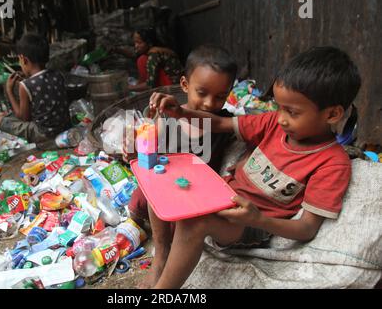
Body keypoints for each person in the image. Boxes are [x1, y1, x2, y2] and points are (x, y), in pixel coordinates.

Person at [141, 46, 361, 289]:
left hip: (248, 224)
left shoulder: (331, 163)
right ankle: (162, 252)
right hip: (220, 196)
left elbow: (307, 228)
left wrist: (258, 218)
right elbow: (221, 123)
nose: (281, 118)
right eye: (279, 107)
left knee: (193, 222)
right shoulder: (273, 124)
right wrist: (181, 112)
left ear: (332, 114)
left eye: (292, 112)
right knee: (162, 178)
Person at [127, 44, 238, 228]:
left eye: (220, 96)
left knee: (185, 220)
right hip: (166, 182)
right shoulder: (168, 116)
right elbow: (149, 152)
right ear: (185, 85)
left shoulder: (223, 121)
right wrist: (135, 145)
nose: (210, 103)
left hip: (197, 189)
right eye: (202, 93)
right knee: (140, 198)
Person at [0, 33, 70, 169]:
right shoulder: (57, 75)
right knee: (5, 116)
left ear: (24, 59)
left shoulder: (26, 85)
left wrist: (9, 91)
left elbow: (23, 118)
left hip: (44, 134)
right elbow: (45, 97)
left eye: (20, 61)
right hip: (63, 127)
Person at [114, 28, 183, 92]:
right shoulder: (157, 50)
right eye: (135, 43)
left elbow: (150, 84)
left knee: (142, 60)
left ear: (149, 43)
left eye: (139, 43)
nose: (136, 46)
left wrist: (128, 88)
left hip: (174, 88)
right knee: (141, 59)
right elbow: (133, 55)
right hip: (176, 83)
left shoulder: (154, 54)